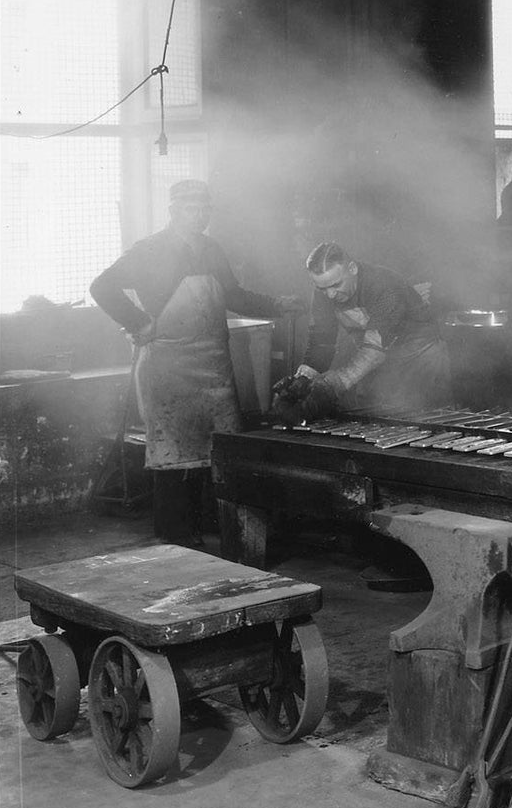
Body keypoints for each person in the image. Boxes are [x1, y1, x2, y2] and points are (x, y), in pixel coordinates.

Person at [90, 179, 301, 544]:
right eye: (191, 208)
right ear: (173, 211)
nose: (200, 215)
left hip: (214, 365)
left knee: (217, 449)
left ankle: (210, 525)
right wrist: (139, 322)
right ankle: (175, 538)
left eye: (205, 208)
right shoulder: (149, 250)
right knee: (173, 453)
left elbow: (233, 295)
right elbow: (101, 286)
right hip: (169, 366)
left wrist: (276, 305)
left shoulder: (211, 248)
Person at [291, 241, 451, 419]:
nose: (330, 295)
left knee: (418, 418)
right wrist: (303, 380)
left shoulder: (383, 285)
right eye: (323, 288)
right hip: (380, 362)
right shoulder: (324, 293)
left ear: (352, 269)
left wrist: (335, 383)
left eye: (336, 285)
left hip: (421, 358)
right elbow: (322, 341)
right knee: (373, 414)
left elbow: (376, 348)